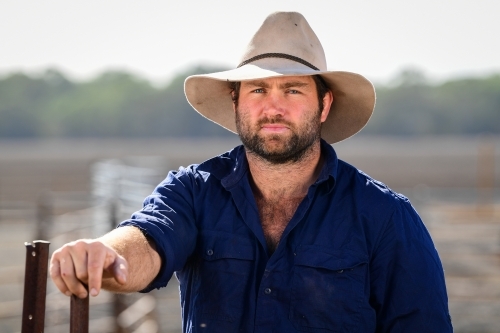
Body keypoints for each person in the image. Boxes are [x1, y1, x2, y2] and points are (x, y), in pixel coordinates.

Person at [50, 11, 453, 332]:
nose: (273, 107)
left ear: (324, 105)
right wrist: (105, 255)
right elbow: (149, 237)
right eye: (258, 90)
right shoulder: (194, 192)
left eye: (293, 89)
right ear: (236, 102)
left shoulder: (385, 218)